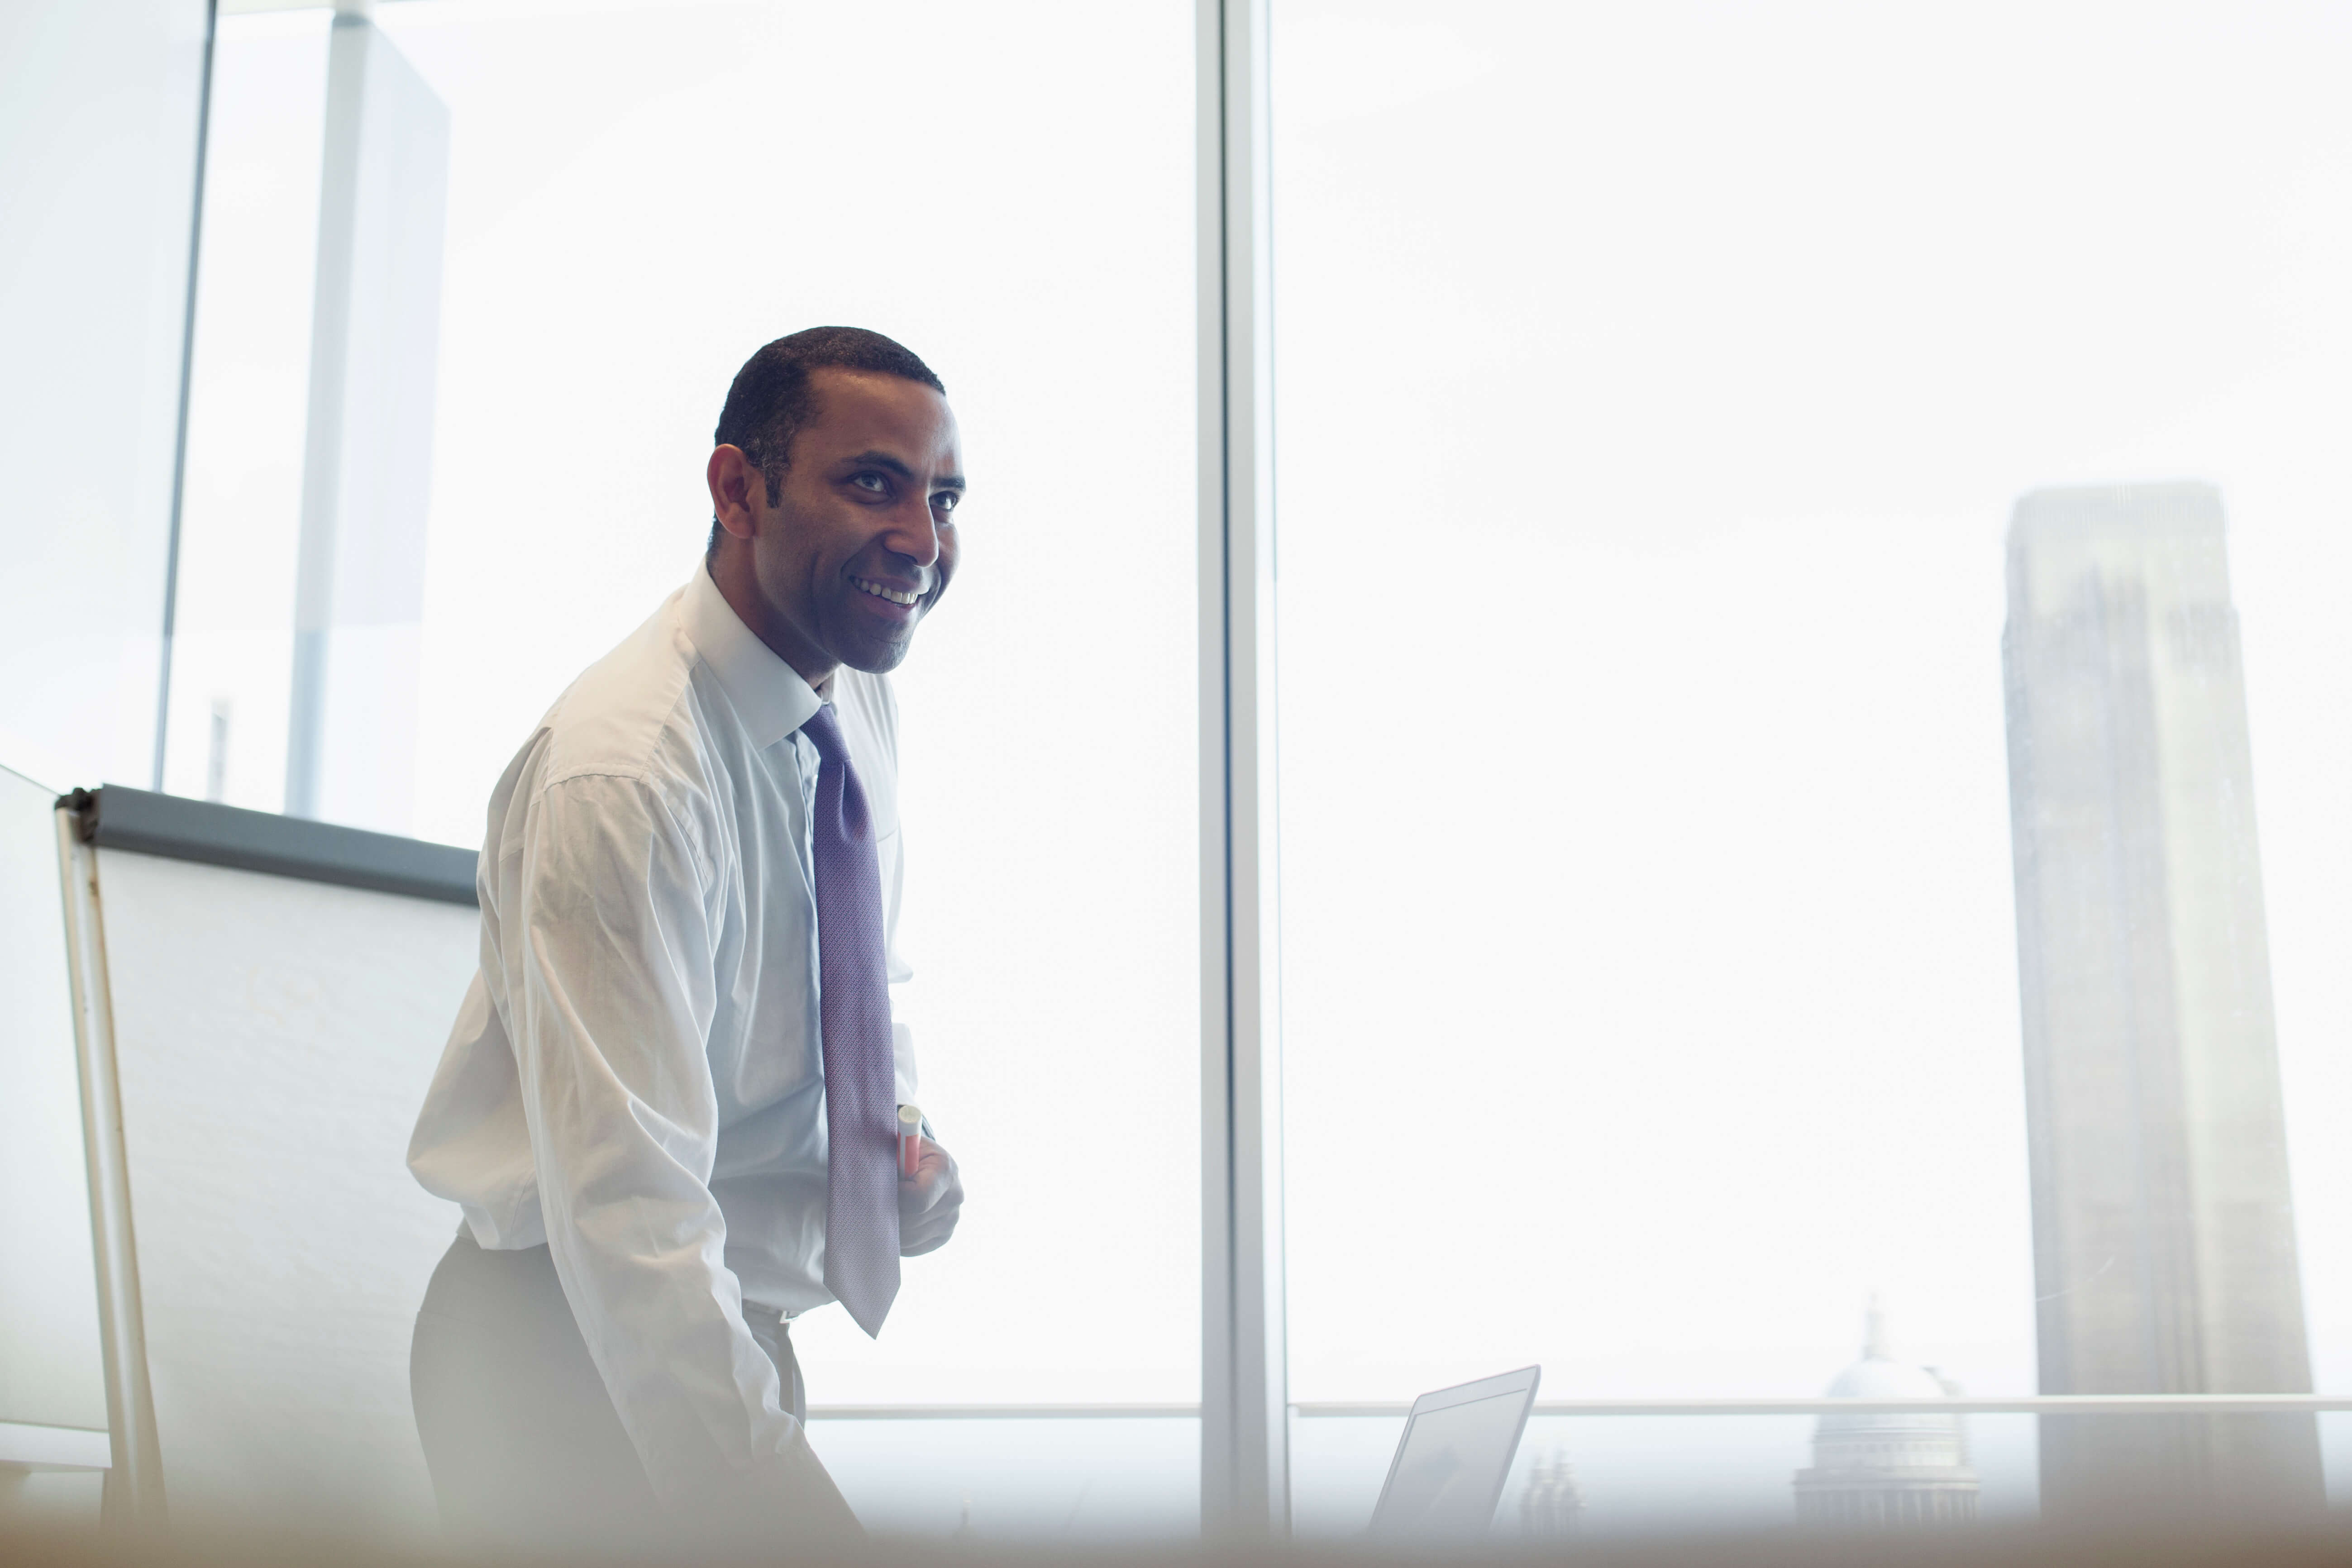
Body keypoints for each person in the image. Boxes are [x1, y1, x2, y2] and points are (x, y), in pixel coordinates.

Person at [404, 326, 967, 1548]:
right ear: (736, 489)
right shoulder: (625, 778)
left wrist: (895, 1139)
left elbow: (859, 980)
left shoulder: (851, 694)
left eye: (943, 497)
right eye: (873, 481)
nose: (923, 539)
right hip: (565, 1351)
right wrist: (782, 1508)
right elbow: (632, 1217)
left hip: (724, 1325)